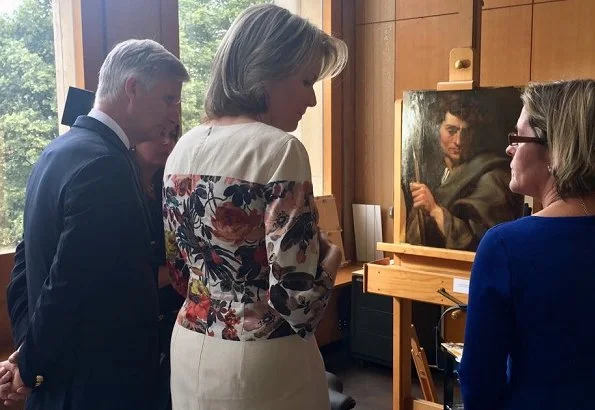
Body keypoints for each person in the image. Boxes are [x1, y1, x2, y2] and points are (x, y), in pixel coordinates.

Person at [163, 4, 347, 410]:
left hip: (190, 347)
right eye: (305, 81)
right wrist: (332, 259)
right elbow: (298, 306)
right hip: (264, 363)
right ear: (267, 73)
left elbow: (180, 272)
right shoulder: (281, 150)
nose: (312, 99)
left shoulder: (182, 148)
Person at [0, 39, 189, 410]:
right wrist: (30, 366)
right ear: (132, 88)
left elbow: (25, 267)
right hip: (96, 388)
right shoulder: (106, 167)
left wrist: (28, 356)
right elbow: (69, 284)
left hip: (61, 381)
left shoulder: (58, 151)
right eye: (169, 98)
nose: (174, 112)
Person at [459, 79, 595, 410]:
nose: (509, 149)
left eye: (517, 138)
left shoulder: (506, 247)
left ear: (556, 150)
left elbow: (479, 380)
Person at [406, 93, 523, 250]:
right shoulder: (432, 171)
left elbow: (480, 244)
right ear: (437, 129)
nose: (459, 141)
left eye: (466, 132)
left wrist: (435, 210)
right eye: (451, 130)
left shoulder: (491, 176)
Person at [131, 128, 185, 410]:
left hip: (175, 316)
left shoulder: (173, 186)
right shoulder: (114, 186)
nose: (168, 142)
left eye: (174, 134)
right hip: (134, 321)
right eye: (158, 133)